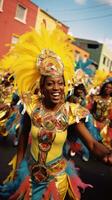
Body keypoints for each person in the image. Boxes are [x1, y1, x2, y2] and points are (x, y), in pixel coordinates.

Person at [0, 26, 112, 200]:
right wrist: (17, 167)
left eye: (60, 83)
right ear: (42, 87)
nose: (56, 88)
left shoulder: (71, 112)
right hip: (29, 175)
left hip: (56, 178)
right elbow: (23, 137)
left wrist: (107, 154)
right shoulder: (32, 107)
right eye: (50, 84)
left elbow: (91, 144)